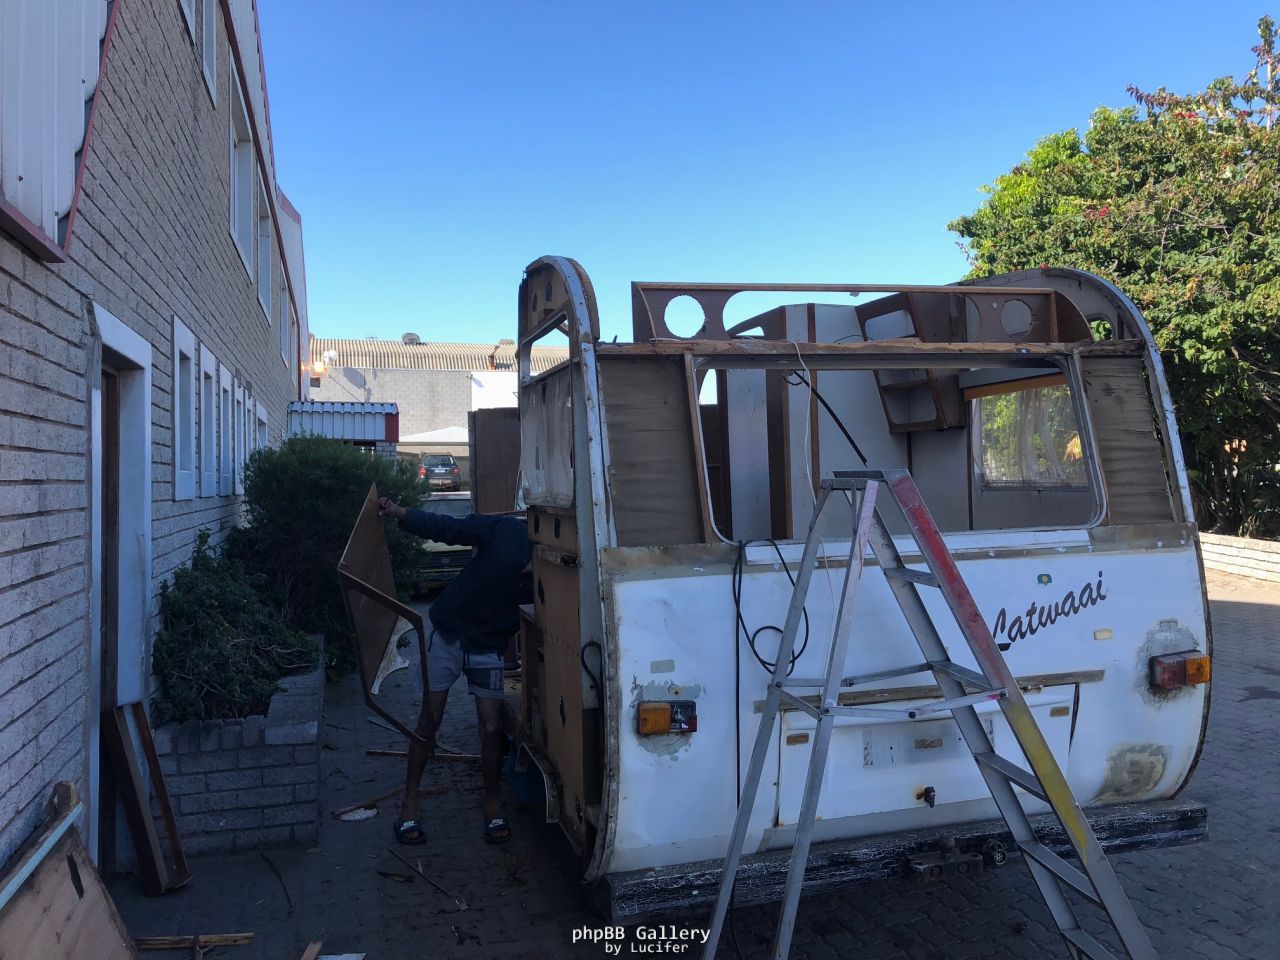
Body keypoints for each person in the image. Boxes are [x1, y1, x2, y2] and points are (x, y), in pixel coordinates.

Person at [378, 496, 532, 846]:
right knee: (429, 720)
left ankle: (492, 804)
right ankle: (409, 804)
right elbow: (450, 529)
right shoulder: (506, 530)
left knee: (491, 727)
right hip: (449, 632)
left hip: (488, 645)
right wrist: (402, 513)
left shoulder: (561, 563)